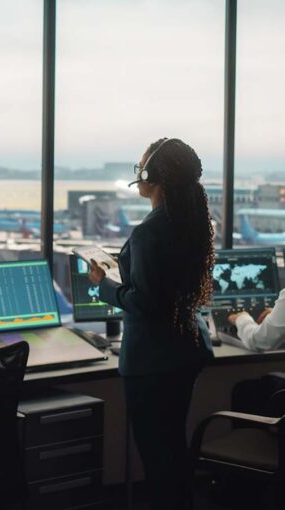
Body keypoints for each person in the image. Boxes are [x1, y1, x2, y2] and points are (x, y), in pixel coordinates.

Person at [88, 138, 214, 510]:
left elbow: (144, 302)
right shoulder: (191, 222)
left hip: (152, 362)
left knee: (158, 461)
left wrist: (104, 286)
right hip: (185, 349)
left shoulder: (149, 232)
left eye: (140, 166)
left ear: (151, 175)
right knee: (173, 452)